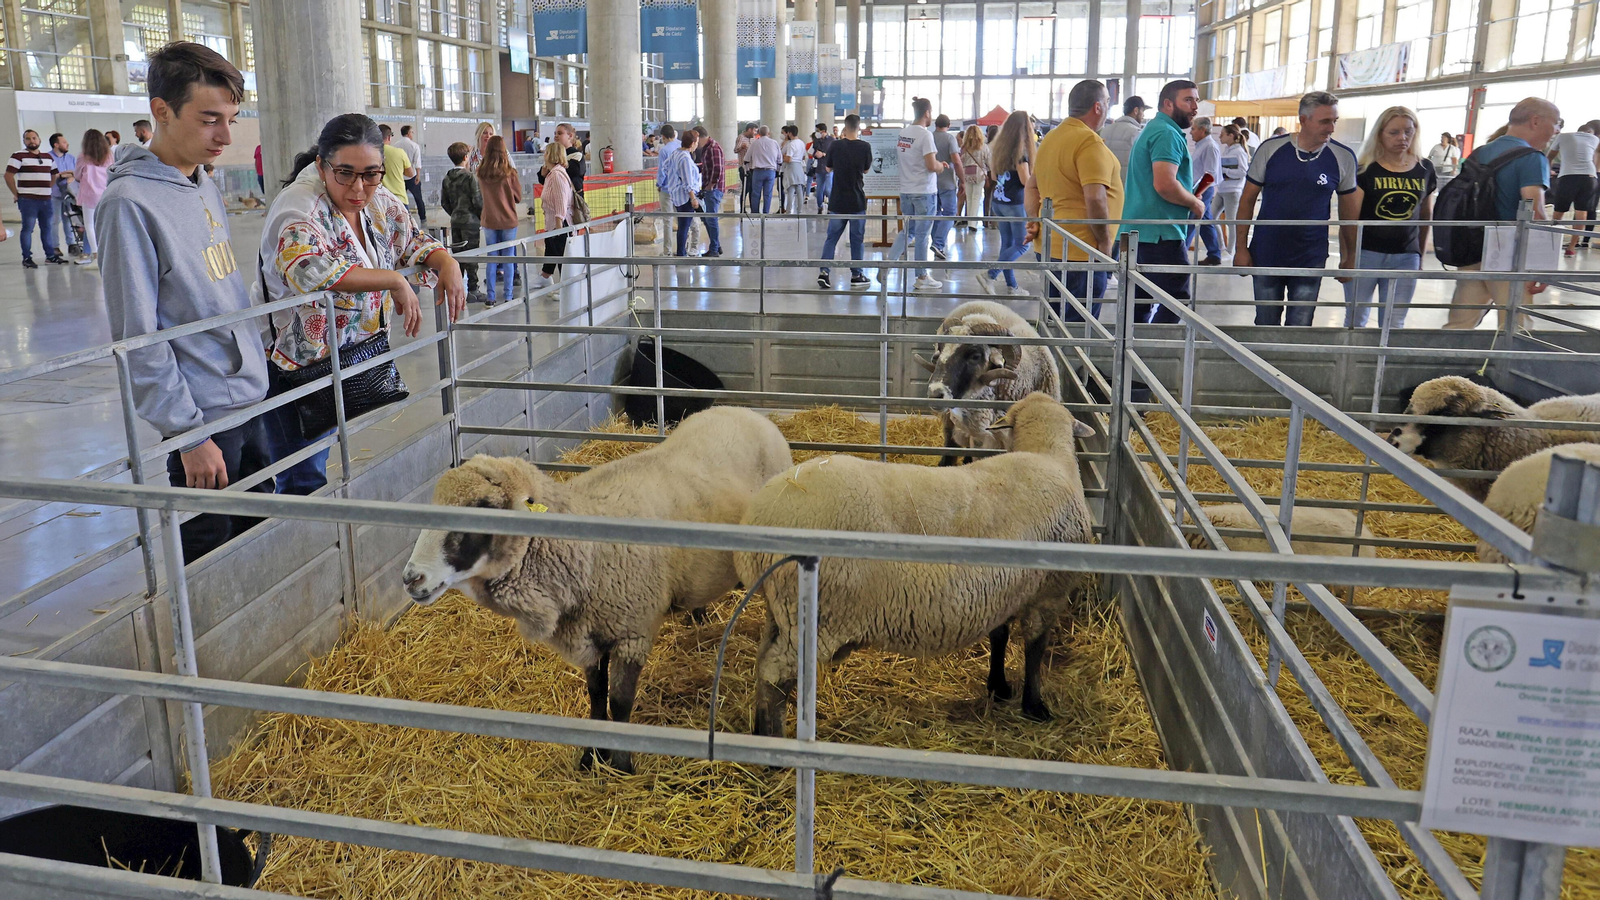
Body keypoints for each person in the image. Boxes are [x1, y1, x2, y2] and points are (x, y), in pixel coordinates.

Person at [97, 43, 267, 561]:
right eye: (210, 119)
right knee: (209, 551)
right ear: (161, 110)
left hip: (250, 395)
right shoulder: (129, 204)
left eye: (232, 120)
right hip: (202, 415)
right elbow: (137, 335)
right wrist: (187, 434)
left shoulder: (201, 181)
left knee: (259, 536)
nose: (225, 136)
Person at [262, 113, 466, 496]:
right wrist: (392, 280)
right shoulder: (300, 207)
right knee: (303, 473)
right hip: (297, 366)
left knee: (320, 457)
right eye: (345, 173)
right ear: (322, 166)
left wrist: (446, 261)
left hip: (348, 356)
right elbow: (306, 269)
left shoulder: (376, 197)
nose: (359, 187)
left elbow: (410, 239)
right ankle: (301, 548)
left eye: (371, 173)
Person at [1234, 91, 1358, 327]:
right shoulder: (1271, 150)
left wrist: (1349, 257)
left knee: (1301, 324)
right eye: (1324, 121)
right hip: (1267, 254)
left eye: (1334, 121)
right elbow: (1247, 200)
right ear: (1303, 120)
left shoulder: (1343, 157)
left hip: (1310, 257)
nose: (1331, 128)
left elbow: (1349, 214)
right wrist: (1241, 249)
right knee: (1265, 322)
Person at [1444, 98, 1560, 331]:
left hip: (1472, 248)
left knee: (1459, 325)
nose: (1556, 131)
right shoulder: (1531, 158)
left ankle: (1447, 366)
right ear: (1535, 121)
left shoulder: (1480, 152)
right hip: (1508, 255)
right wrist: (1542, 265)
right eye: (1556, 124)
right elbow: (1535, 212)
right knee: (1517, 327)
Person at [1027, 79, 1122, 321]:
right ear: (1097, 107)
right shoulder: (1088, 142)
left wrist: (1034, 222)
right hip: (1081, 251)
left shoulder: (1050, 138)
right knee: (1080, 328)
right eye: (1108, 103)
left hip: (1050, 245)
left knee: (1056, 321)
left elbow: (1032, 186)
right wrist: (1104, 243)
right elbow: (1095, 197)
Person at [1120, 80, 1206, 323]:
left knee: (1138, 303)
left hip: (1139, 230)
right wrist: (1194, 203)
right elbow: (1165, 184)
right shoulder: (1166, 133)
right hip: (1160, 233)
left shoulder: (1153, 128)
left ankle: (1134, 356)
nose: (1195, 107)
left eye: (1196, 100)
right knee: (1176, 299)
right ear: (1168, 104)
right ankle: (1153, 357)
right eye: (1188, 100)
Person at [1344, 106, 1436, 329]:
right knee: (1356, 319)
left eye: (1407, 131)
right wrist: (1349, 256)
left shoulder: (1424, 168)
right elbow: (1349, 218)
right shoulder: (1364, 169)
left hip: (1405, 255)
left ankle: (1383, 364)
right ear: (1380, 134)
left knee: (1394, 322)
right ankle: (1353, 362)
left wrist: (1419, 255)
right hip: (1366, 254)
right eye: (1393, 132)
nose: (1402, 138)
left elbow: (1425, 215)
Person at [886, 96, 947, 291]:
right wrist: (940, 166)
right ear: (927, 113)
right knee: (922, 235)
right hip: (924, 191)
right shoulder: (925, 135)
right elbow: (930, 165)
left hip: (906, 191)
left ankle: (888, 265)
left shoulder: (904, 133)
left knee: (908, 231)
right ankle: (921, 276)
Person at [979, 110, 1034, 296]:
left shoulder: (1000, 149)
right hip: (1015, 204)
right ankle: (991, 274)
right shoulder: (1021, 153)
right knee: (1023, 244)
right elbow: (1026, 181)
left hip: (999, 202)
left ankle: (1012, 286)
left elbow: (994, 175)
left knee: (1008, 243)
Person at [818, 114, 874, 290]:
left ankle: (824, 273)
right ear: (858, 127)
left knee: (831, 238)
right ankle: (856, 275)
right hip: (856, 200)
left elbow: (828, 168)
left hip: (837, 200)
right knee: (857, 239)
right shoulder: (865, 146)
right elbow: (866, 170)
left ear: (844, 126)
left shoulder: (835, 145)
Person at [7, 130, 65, 268]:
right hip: (28, 200)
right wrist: (16, 193)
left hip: (45, 199)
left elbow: (54, 175)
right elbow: (8, 176)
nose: (31, 141)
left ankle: (50, 256)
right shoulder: (18, 156)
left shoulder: (48, 157)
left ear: (39, 140)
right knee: (28, 228)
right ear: (24, 141)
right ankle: (27, 257)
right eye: (28, 139)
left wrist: (48, 189)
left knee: (47, 228)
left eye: (34, 138)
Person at [475, 135, 522, 304]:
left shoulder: (481, 172)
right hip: (508, 220)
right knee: (508, 258)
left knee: (491, 258)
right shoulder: (510, 173)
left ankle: (491, 296)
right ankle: (508, 296)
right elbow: (518, 197)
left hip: (489, 220)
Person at [440, 141, 485, 303]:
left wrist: (454, 213)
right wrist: (480, 217)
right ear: (466, 157)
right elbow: (478, 201)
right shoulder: (470, 177)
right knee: (472, 255)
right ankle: (473, 289)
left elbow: (444, 202)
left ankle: (457, 287)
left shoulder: (447, 178)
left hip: (455, 221)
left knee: (458, 256)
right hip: (471, 221)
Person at [1547, 122, 1598, 256]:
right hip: (1589, 177)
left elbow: (1550, 156)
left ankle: (1551, 243)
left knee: (1559, 211)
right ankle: (1571, 248)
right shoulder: (1594, 139)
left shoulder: (1563, 136)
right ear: (1590, 132)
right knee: (1582, 212)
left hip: (1568, 177)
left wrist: (1548, 170)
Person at [538, 139, 575, 286]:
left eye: (546, 152)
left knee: (561, 257)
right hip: (553, 223)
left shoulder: (557, 175)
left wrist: (559, 224)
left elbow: (561, 200)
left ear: (551, 155)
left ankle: (567, 288)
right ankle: (545, 277)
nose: (544, 155)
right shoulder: (552, 174)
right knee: (553, 252)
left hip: (559, 224)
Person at [661, 129, 703, 257]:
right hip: (685, 197)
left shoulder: (676, 153)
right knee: (684, 227)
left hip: (677, 195)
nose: (697, 145)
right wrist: (693, 198)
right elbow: (687, 181)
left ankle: (682, 252)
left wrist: (673, 181)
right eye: (697, 142)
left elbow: (665, 167)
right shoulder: (685, 157)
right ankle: (681, 253)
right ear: (692, 143)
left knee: (683, 226)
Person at [1187, 116, 1222, 265]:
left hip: (1203, 189)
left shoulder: (1210, 147)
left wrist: (1198, 193)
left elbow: (1210, 175)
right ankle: (1214, 254)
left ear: (1202, 130)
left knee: (1191, 220)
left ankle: (1181, 251)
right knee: (1205, 222)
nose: (1191, 132)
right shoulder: (1202, 145)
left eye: (1193, 128)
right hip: (1199, 188)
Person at [73, 129, 111, 267]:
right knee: (105, 224)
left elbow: (77, 176)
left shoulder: (83, 157)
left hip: (89, 195)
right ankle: (108, 253)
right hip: (106, 194)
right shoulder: (109, 155)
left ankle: (95, 255)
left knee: (90, 225)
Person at [929, 114, 965, 260]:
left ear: (935, 124)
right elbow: (956, 161)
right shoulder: (950, 139)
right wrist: (962, 180)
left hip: (931, 182)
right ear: (948, 125)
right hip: (948, 183)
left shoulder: (929, 137)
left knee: (936, 213)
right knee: (950, 213)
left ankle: (938, 245)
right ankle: (938, 243)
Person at [691, 124, 726, 257]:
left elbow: (717, 168)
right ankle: (716, 244)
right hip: (708, 188)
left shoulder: (713, 148)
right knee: (707, 219)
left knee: (711, 219)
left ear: (698, 136)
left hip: (713, 189)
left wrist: (711, 185)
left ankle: (715, 249)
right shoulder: (707, 148)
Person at [1216, 124, 1249, 254]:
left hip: (1233, 190)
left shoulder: (1239, 151)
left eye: (1223, 134)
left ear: (1231, 136)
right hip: (1222, 189)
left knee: (1231, 222)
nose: (1220, 136)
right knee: (1211, 218)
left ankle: (1231, 251)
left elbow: (1243, 171)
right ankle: (1221, 246)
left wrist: (1224, 171)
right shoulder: (1227, 150)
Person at [47, 133, 79, 255]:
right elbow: (49, 175)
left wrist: (70, 174)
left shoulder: (71, 158)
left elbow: (77, 173)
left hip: (69, 194)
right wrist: (61, 175)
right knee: (54, 221)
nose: (67, 144)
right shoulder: (47, 158)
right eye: (64, 142)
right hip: (54, 194)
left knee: (69, 219)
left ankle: (72, 244)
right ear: (56, 144)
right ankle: (55, 247)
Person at [1100, 96, 1148, 172]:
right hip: (1126, 182)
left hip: (1107, 180)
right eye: (1143, 111)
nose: (1143, 115)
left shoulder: (1105, 130)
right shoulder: (1136, 133)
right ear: (1136, 110)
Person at [956, 125, 990, 229]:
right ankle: (972, 223)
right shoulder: (983, 146)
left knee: (969, 198)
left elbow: (960, 161)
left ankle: (970, 220)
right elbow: (989, 161)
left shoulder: (963, 148)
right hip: (979, 175)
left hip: (966, 174)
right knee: (976, 198)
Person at [394, 124, 427, 225]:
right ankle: (423, 220)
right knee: (418, 199)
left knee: (400, 199)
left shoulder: (395, 145)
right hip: (412, 176)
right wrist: (418, 176)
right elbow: (417, 163)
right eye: (412, 132)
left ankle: (402, 221)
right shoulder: (414, 145)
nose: (413, 134)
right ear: (408, 133)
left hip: (399, 176)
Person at [746, 125, 780, 213]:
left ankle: (755, 213)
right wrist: (778, 170)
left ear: (759, 133)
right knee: (768, 194)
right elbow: (779, 159)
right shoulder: (774, 143)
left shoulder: (755, 143)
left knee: (755, 194)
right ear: (768, 133)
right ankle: (766, 213)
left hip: (757, 171)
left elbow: (746, 158)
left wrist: (747, 170)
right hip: (770, 172)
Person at [545, 122, 586, 195]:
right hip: (554, 195)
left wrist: (551, 168)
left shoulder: (577, 155)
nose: (556, 136)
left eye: (560, 133)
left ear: (570, 136)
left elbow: (569, 172)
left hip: (572, 197)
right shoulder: (552, 155)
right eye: (555, 133)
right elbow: (542, 176)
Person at [377, 124, 414, 203]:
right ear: (389, 137)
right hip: (398, 198)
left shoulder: (370, 153)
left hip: (378, 200)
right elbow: (410, 173)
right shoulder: (399, 152)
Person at [781, 125, 808, 213]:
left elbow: (788, 159)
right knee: (799, 189)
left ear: (790, 133)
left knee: (790, 189)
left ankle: (789, 211)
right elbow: (804, 156)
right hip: (799, 166)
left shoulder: (791, 144)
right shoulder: (801, 143)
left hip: (791, 167)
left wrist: (783, 156)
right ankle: (799, 211)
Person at [810, 123, 835, 212]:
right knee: (819, 189)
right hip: (819, 168)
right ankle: (819, 206)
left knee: (828, 189)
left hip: (829, 167)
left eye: (818, 131)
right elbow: (813, 151)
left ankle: (831, 207)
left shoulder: (832, 140)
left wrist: (824, 154)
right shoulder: (816, 140)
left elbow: (834, 153)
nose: (817, 133)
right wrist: (815, 154)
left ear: (823, 131)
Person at [734, 122, 758, 212]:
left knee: (753, 189)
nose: (755, 133)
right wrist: (741, 147)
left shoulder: (754, 139)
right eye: (754, 131)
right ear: (749, 129)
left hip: (753, 167)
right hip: (743, 167)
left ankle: (753, 209)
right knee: (746, 188)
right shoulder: (741, 137)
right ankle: (742, 209)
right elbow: (735, 149)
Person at [654, 123, 680, 198]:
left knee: (667, 209)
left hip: (667, 187)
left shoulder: (664, 150)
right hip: (679, 188)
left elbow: (662, 170)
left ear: (663, 136)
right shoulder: (681, 146)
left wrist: (659, 184)